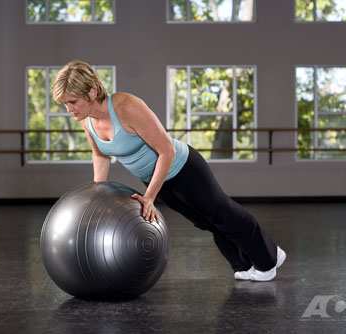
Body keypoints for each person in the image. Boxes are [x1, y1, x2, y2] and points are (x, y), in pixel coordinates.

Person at [52, 60, 286, 282]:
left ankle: (269, 259)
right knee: (204, 221)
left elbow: (165, 150)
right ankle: (243, 265)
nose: (69, 109)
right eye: (64, 103)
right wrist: (98, 190)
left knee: (221, 212)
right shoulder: (85, 118)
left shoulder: (126, 106)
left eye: (72, 102)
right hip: (154, 178)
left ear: (92, 92)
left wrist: (150, 197)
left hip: (183, 167)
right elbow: (101, 153)